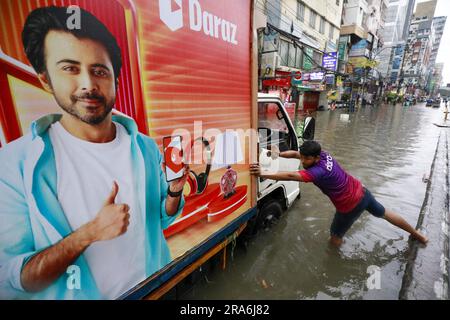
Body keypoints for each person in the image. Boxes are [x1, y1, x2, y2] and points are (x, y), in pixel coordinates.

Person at [0, 6, 189, 299]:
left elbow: (161, 220)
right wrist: (89, 233)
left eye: (99, 70)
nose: (88, 84)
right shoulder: (13, 166)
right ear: (44, 79)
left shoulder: (145, 147)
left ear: (115, 79)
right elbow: (14, 279)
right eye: (70, 68)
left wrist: (175, 192)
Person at [250, 140, 428, 248]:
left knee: (335, 237)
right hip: (362, 191)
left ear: (316, 159)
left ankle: (333, 264)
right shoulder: (323, 155)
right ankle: (417, 234)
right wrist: (279, 154)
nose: (303, 161)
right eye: (302, 158)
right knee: (385, 213)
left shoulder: (317, 172)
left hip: (349, 205)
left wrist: (262, 174)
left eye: (307, 159)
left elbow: (291, 175)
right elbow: (296, 153)